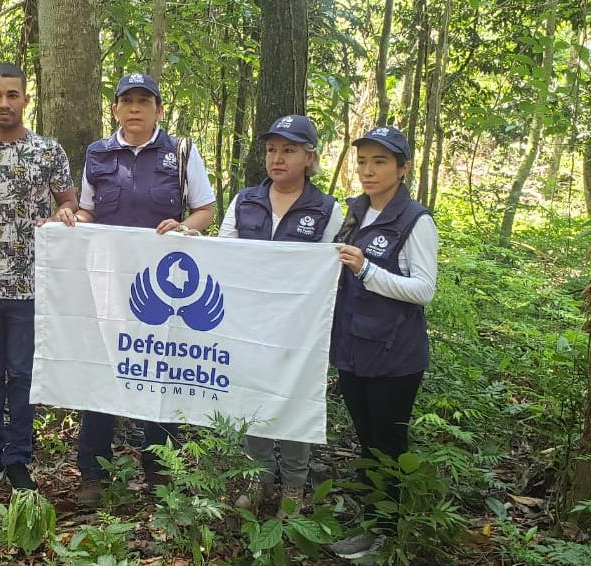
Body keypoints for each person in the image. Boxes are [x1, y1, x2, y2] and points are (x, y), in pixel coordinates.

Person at [72, 72, 216, 507]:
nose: (135, 108)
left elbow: (205, 210)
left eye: (144, 100)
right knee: (102, 370)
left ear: (158, 108)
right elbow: (86, 211)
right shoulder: (98, 153)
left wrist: (185, 229)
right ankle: (93, 475)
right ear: (115, 108)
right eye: (126, 100)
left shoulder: (181, 151)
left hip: (163, 289)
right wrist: (69, 224)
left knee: (162, 372)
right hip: (108, 282)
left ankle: (159, 472)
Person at [0, 63, 78, 492]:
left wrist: (65, 214)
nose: (3, 103)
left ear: (26, 99)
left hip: (32, 286)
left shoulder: (48, 151)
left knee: (22, 375)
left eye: (12, 94)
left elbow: (70, 206)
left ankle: (19, 456)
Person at [218, 115, 340, 517]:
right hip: (248, 322)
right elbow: (224, 255)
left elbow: (330, 273)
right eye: (272, 149)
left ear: (310, 158)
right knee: (253, 396)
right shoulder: (245, 201)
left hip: (299, 329)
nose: (277, 158)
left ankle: (293, 484)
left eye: (289, 150)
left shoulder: (327, 210)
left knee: (293, 401)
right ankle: (258, 475)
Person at [325, 125, 438, 560]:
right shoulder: (355, 211)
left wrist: (367, 270)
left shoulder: (416, 221)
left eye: (380, 162)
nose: (367, 171)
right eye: (362, 161)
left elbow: (423, 289)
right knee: (366, 441)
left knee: (388, 446)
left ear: (403, 169)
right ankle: (372, 525)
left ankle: (386, 535)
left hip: (395, 356)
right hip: (354, 348)